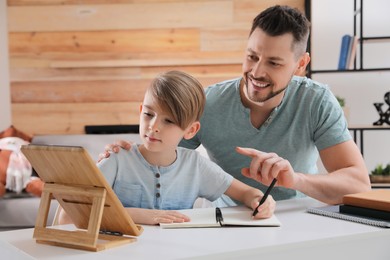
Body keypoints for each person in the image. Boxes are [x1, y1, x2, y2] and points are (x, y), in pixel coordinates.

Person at [100, 5, 371, 206]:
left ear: (301, 64)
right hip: (228, 222)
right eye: (251, 56)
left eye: (274, 63)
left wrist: (296, 180)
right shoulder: (210, 102)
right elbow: (164, 160)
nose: (256, 72)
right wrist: (124, 157)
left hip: (298, 214)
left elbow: (358, 184)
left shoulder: (316, 101)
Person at [59, 70, 275, 226]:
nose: (153, 127)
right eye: (149, 114)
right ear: (140, 110)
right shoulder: (117, 159)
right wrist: (140, 215)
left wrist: (260, 201)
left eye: (168, 121)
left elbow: (246, 192)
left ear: (191, 130)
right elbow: (72, 213)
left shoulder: (195, 165)